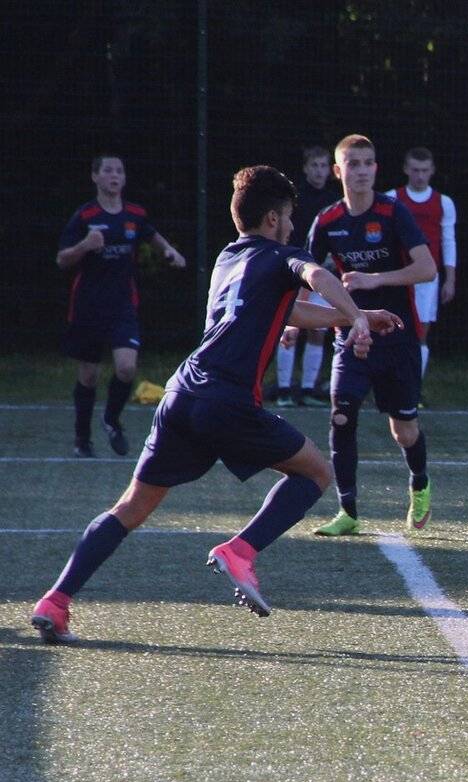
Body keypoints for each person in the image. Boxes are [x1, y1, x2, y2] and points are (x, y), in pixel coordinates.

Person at [30, 165, 399, 644]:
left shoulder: (229, 259)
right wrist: (357, 319)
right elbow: (317, 276)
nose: (292, 226)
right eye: (288, 217)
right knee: (315, 473)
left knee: (131, 507)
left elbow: (287, 310)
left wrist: (354, 316)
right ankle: (240, 550)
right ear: (272, 219)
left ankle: (55, 601)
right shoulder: (283, 256)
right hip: (227, 398)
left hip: (181, 393)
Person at [305, 134, 438, 537]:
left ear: (376, 169)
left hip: (397, 338)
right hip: (352, 335)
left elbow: (427, 269)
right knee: (342, 415)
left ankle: (419, 482)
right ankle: (347, 510)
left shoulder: (393, 212)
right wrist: (291, 323)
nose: (361, 171)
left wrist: (374, 278)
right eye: (353, 163)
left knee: (404, 430)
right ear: (338, 171)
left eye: (368, 163)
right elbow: (306, 274)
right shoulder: (327, 221)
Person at [57, 154, 187, 458]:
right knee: (88, 375)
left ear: (124, 178)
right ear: (95, 177)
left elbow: (153, 236)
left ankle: (111, 419)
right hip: (88, 307)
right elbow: (62, 259)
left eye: (119, 171)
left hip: (122, 306)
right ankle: (82, 439)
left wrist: (170, 252)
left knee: (127, 368)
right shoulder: (85, 216)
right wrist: (84, 246)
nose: (114, 175)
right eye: (108, 170)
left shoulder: (134, 214)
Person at [274, 145, 341, 408]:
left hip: (321, 271)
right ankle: (283, 389)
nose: (319, 171)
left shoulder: (335, 200)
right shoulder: (295, 197)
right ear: (305, 168)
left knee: (318, 330)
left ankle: (308, 388)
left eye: (324, 166)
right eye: (314, 165)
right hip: (295, 267)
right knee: (288, 325)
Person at [387, 146, 456, 401]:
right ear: (406, 169)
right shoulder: (391, 198)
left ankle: (412, 390)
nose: (419, 176)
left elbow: (448, 241)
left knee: (420, 333)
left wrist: (450, 278)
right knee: (390, 330)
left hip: (427, 278)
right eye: (415, 170)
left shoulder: (443, 203)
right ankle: (390, 386)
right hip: (396, 276)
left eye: (424, 171)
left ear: (432, 171)